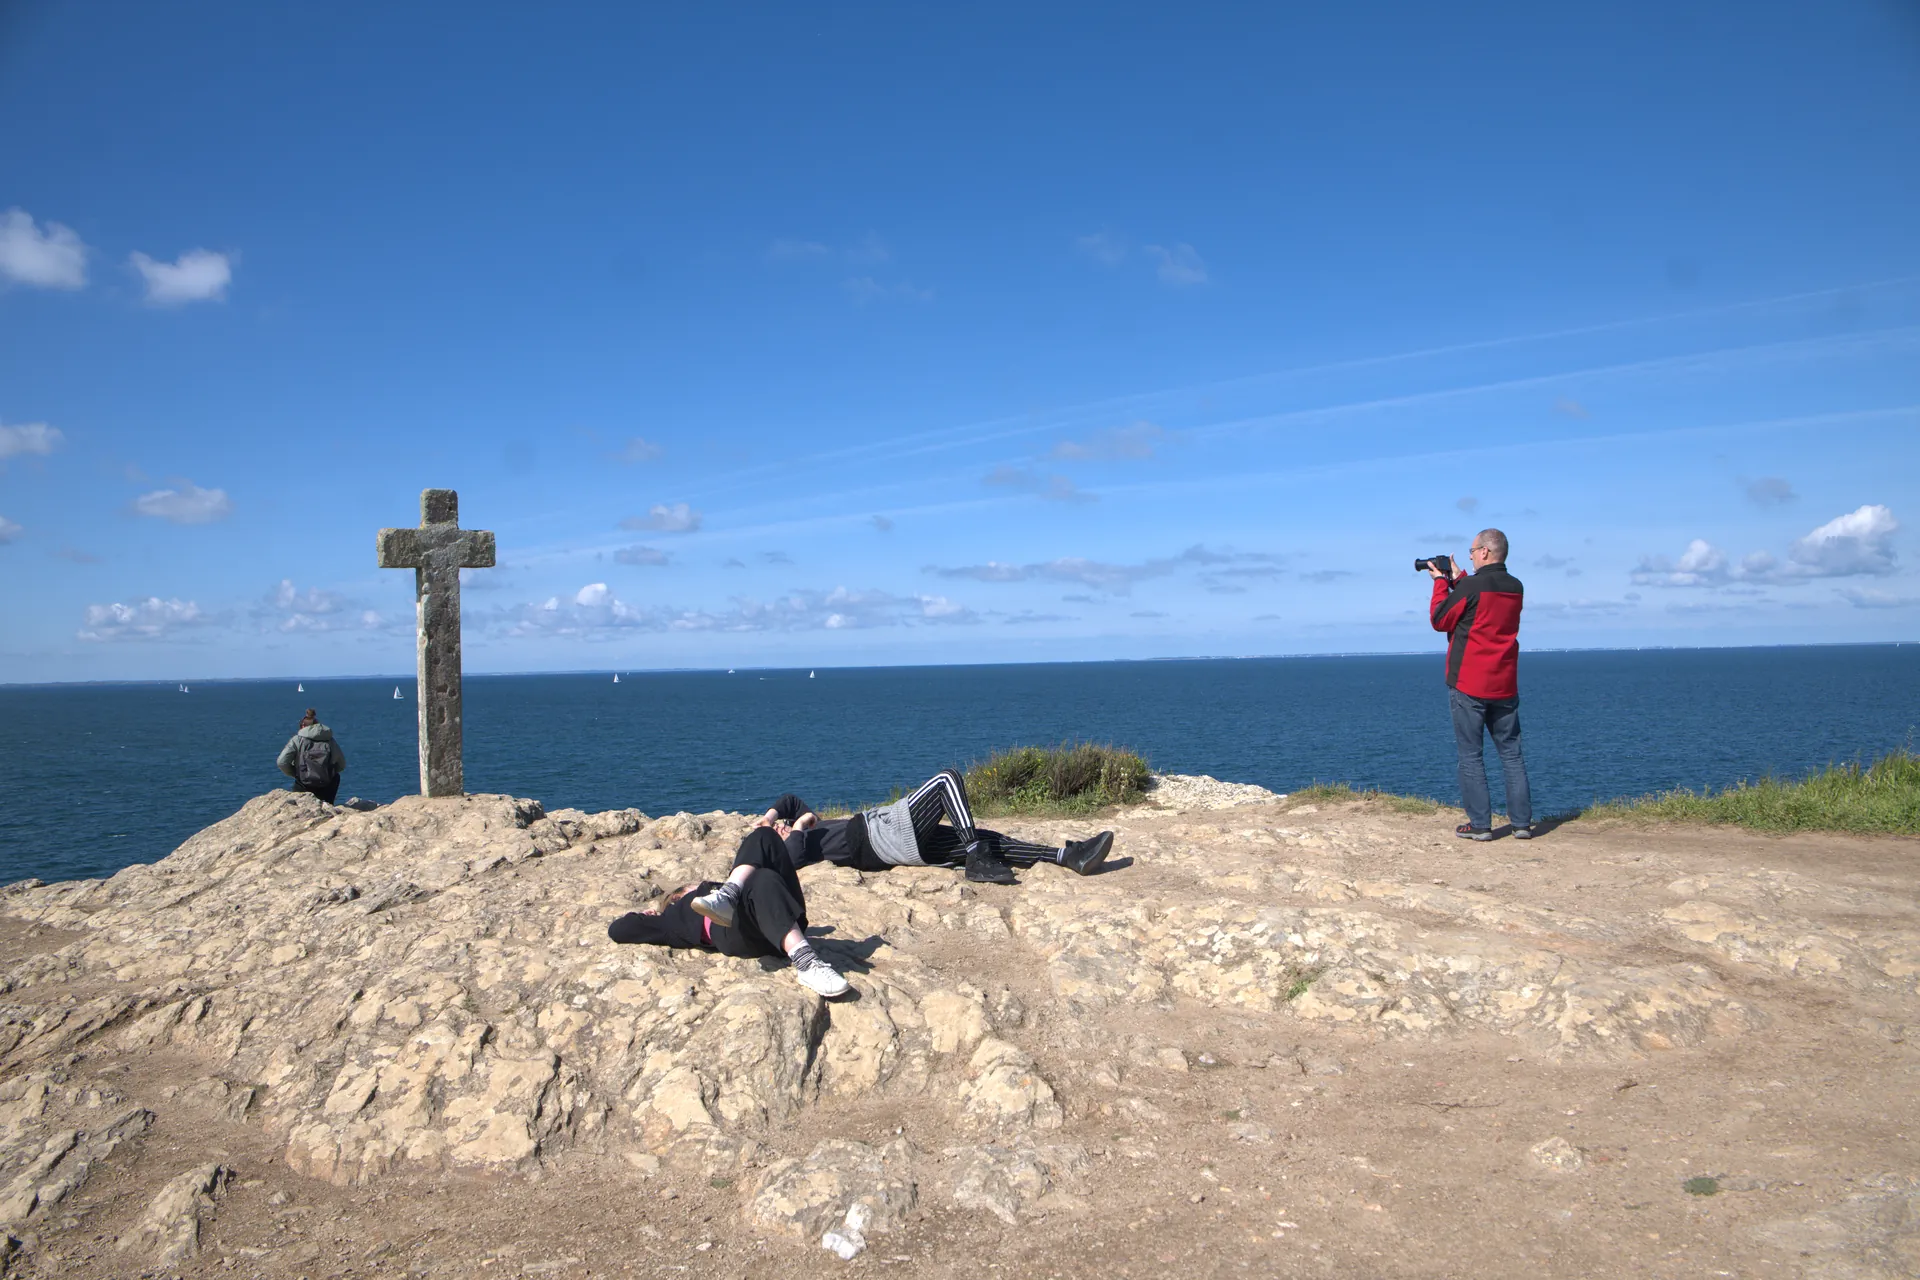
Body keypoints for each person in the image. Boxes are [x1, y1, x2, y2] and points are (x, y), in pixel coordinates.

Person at [745, 768, 1116, 886]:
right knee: (946, 781)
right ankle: (976, 858)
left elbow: (790, 800)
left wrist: (769, 818)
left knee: (985, 838)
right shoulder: (796, 848)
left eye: (776, 827)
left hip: (896, 845)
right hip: (882, 835)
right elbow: (790, 856)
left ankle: (1068, 856)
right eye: (771, 835)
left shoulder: (801, 831)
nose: (780, 827)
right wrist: (798, 827)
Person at [607, 826, 852, 997]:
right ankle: (807, 963)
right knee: (762, 877)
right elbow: (618, 930)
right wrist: (649, 914)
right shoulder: (673, 918)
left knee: (765, 835)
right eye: (691, 888)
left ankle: (729, 894)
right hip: (737, 932)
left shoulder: (731, 884)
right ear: (678, 896)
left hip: (780, 917)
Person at [1428, 528, 1533, 840]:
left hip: (1469, 682)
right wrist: (1460, 581)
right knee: (1511, 755)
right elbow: (1482, 607)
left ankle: (1480, 825)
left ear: (1485, 552)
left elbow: (1440, 619)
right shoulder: (1516, 587)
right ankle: (1522, 824)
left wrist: (1440, 583)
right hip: (1504, 682)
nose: (1470, 555)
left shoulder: (1472, 586)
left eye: (1472, 550)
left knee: (1471, 755)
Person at [276, 708, 346, 805]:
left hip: (303, 783)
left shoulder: (297, 740)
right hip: (326, 784)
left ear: (303, 726)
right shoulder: (330, 741)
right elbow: (342, 765)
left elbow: (282, 762)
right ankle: (329, 805)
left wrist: (296, 773)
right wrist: (327, 773)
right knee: (336, 777)